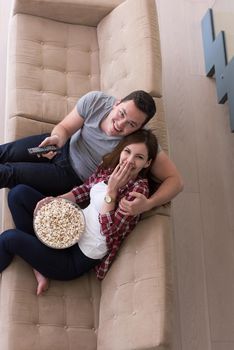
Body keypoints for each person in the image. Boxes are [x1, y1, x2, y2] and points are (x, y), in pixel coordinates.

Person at [0, 129, 158, 295]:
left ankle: (39, 261)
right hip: (69, 230)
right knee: (18, 193)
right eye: (127, 151)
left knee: (8, 239)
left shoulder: (138, 192)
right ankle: (37, 265)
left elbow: (109, 231)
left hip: (76, 257)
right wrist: (57, 199)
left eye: (139, 157)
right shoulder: (109, 166)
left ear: (147, 163)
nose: (129, 161)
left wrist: (112, 191)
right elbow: (85, 189)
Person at [0, 90, 183, 215]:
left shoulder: (140, 142)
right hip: (62, 147)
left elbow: (176, 182)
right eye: (121, 114)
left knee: (8, 172)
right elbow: (64, 127)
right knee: (4, 152)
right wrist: (58, 138)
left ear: (141, 128)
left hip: (71, 176)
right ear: (117, 103)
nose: (121, 124)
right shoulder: (96, 101)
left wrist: (148, 204)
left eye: (132, 124)